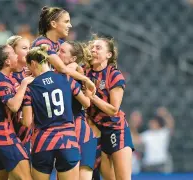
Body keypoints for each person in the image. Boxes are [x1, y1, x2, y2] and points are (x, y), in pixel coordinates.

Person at [22, 45, 91, 180]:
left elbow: (27, 122)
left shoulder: (29, 88)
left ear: (34, 63)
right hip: (67, 140)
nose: (28, 71)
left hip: (43, 142)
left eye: (28, 66)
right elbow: (86, 103)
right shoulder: (66, 78)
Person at [0, 44, 33, 180]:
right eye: (13, 54)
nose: (16, 55)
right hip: (5, 137)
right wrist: (24, 84)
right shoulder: (2, 80)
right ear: (7, 61)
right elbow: (14, 106)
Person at [85, 36, 134, 180]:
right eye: (92, 47)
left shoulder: (114, 75)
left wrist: (92, 96)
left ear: (109, 54)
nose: (93, 50)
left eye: (98, 48)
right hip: (96, 132)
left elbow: (114, 109)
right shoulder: (83, 72)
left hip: (116, 130)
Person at [32, 6, 96, 94]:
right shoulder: (42, 43)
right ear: (53, 24)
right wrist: (86, 79)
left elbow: (74, 67)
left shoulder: (60, 43)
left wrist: (77, 67)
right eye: (66, 22)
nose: (70, 25)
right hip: (39, 93)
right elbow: (62, 68)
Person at [58, 41, 97, 180]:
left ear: (73, 59)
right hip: (62, 133)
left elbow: (87, 104)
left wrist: (82, 76)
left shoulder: (75, 71)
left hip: (81, 133)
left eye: (62, 51)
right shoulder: (53, 75)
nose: (57, 54)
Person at [6, 35, 32, 157]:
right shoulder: (5, 77)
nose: (29, 51)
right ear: (12, 52)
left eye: (30, 48)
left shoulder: (31, 73)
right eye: (24, 48)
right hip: (10, 136)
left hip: (29, 136)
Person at [140, 107, 174, 173]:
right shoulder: (146, 134)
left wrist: (165, 114)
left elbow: (171, 125)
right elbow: (136, 140)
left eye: (153, 122)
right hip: (149, 163)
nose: (151, 124)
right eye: (151, 122)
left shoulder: (163, 132)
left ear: (158, 123)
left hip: (161, 163)